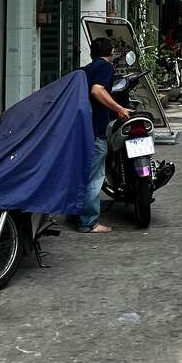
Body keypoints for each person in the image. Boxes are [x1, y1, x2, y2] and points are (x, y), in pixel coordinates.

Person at [78, 37, 132, 233]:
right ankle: (89, 223)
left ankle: (81, 215)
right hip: (95, 131)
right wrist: (119, 109)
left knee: (85, 174)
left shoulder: (86, 70)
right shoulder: (105, 67)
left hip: (84, 130)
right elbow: (97, 91)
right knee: (94, 178)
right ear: (110, 53)